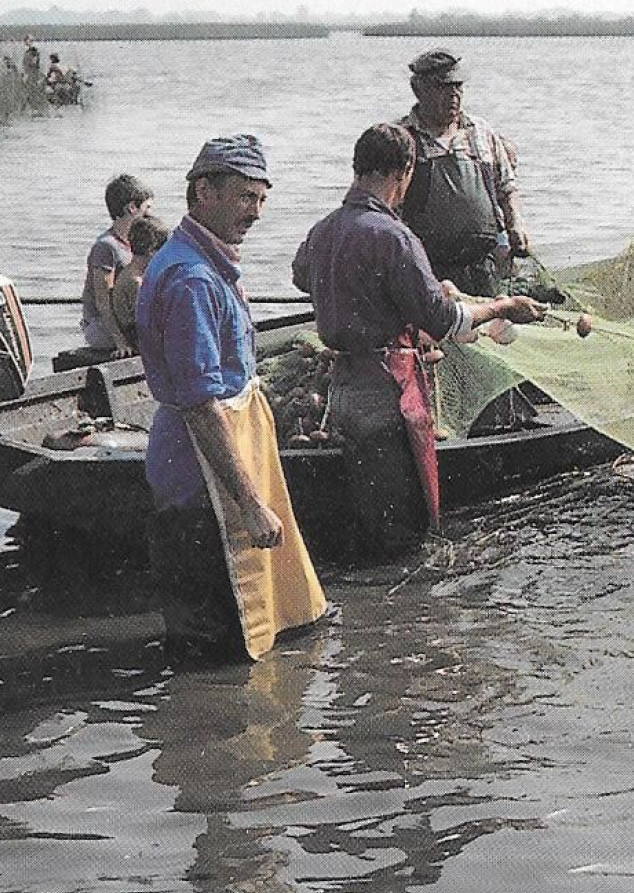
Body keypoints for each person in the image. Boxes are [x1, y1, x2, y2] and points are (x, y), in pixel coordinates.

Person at [292, 123, 549, 559]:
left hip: (343, 393)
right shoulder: (394, 237)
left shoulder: (323, 230)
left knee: (368, 512)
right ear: (405, 172)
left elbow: (300, 276)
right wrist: (503, 306)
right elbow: (445, 320)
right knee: (402, 526)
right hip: (386, 394)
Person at [137, 134, 327, 659]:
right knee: (216, 653)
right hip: (199, 488)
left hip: (208, 475)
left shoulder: (208, 265)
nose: (256, 212)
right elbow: (201, 403)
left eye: (262, 199)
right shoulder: (192, 280)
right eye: (246, 197)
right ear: (204, 191)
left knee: (232, 646)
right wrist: (250, 503)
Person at [397, 47, 534, 432]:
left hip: (482, 263)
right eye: (442, 88)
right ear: (418, 89)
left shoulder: (481, 133)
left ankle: (500, 425)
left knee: (494, 342)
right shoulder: (404, 139)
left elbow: (507, 188)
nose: (453, 96)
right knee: (438, 351)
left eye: (458, 87)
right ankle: (441, 429)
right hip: (429, 270)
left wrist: (516, 225)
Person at [81, 173, 153, 358]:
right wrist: (120, 342)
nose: (150, 215)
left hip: (125, 318)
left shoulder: (135, 242)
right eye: (146, 208)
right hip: (101, 327)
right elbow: (102, 301)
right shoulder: (106, 247)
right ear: (131, 208)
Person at [108, 213, 169, 352]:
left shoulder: (135, 275)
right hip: (140, 342)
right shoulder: (135, 282)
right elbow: (147, 324)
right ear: (151, 250)